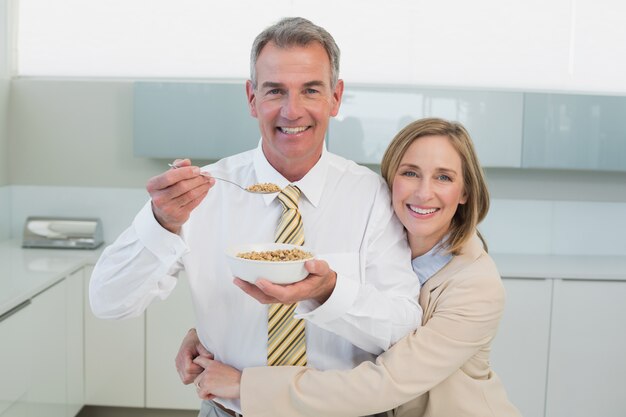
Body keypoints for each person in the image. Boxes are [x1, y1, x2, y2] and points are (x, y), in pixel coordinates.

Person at [89, 17, 422, 417]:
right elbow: (107, 302)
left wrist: (328, 291)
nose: (292, 110)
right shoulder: (202, 192)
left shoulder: (372, 196)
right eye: (275, 91)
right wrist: (162, 222)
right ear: (251, 98)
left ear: (335, 97)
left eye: (310, 90)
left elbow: (403, 328)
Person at [181, 118, 523, 417]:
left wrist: (245, 386)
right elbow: (353, 321)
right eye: (410, 173)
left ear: (465, 192)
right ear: (390, 180)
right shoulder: (379, 243)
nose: (423, 192)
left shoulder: (476, 286)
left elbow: (384, 382)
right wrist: (214, 336)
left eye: (444, 177)